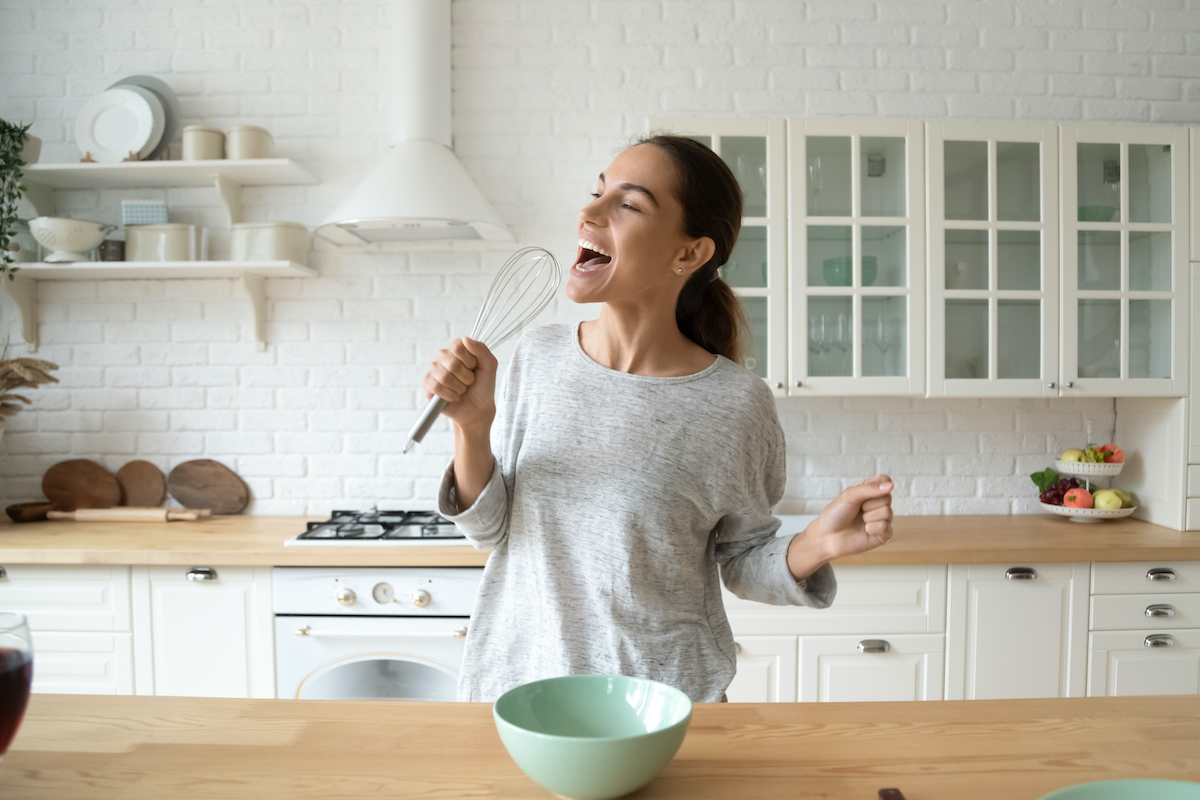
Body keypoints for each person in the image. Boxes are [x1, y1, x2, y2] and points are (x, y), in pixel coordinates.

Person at [425, 134, 895, 703]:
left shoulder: (733, 403)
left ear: (690, 254)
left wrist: (816, 542)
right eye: (597, 193)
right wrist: (471, 427)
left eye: (627, 203)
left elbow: (743, 561)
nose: (590, 211)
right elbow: (493, 531)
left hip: (662, 708)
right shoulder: (537, 356)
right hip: (521, 691)